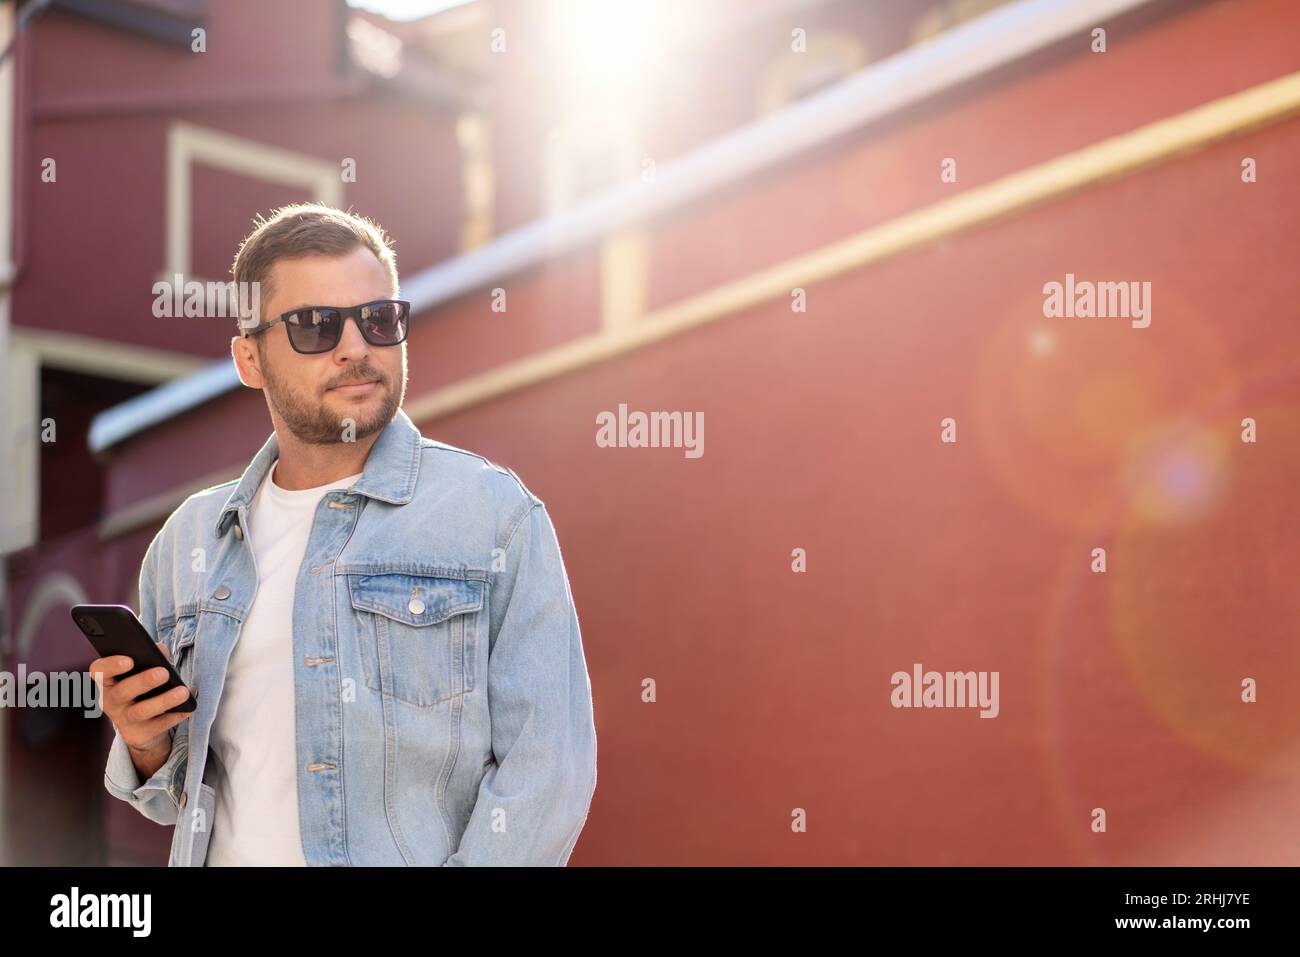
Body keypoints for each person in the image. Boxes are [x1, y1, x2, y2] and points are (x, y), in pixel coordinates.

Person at [92, 203, 597, 866]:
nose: (356, 346)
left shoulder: (495, 517)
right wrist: (143, 740)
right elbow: (173, 795)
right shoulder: (189, 542)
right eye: (315, 325)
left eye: (379, 319)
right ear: (250, 358)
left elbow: (548, 771)